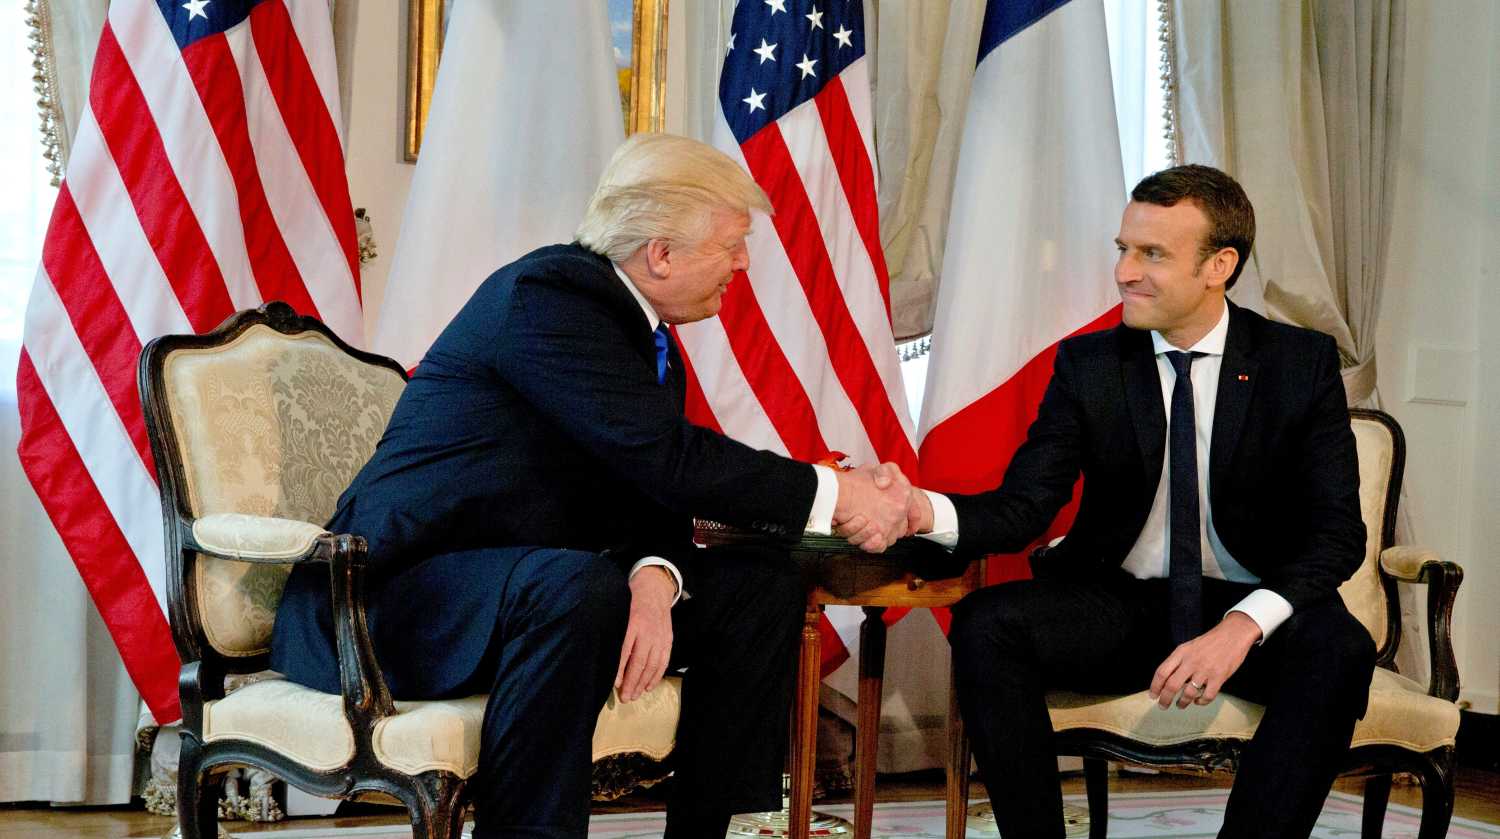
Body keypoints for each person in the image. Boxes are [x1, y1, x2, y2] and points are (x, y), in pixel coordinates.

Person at [270, 133, 912, 839]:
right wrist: (839, 495)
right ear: (660, 253)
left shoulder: (643, 336)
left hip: (529, 590)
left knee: (759, 585)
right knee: (574, 585)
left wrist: (655, 576)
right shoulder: (549, 299)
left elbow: (650, 482)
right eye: (732, 243)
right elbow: (670, 457)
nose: (743, 262)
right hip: (390, 599)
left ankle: (700, 831)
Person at [899, 165, 1375, 839]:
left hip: (1250, 605)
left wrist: (1241, 626)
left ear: (1220, 265)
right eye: (1123, 248)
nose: (1124, 272)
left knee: (1338, 646)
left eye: (1151, 254)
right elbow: (1022, 507)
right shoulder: (1089, 364)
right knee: (987, 621)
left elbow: (1336, 534)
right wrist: (923, 512)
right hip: (1121, 603)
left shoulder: (1297, 363)